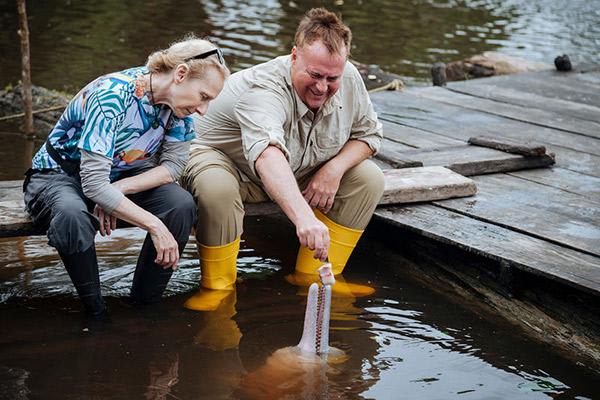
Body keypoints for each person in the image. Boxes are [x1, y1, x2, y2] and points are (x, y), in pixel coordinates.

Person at [181, 8, 384, 311]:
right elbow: (267, 153)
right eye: (314, 75)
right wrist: (304, 219)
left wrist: (334, 169)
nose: (322, 87)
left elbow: (369, 136)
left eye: (332, 78)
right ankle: (218, 289)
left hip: (294, 169)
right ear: (294, 56)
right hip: (230, 165)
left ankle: (313, 277)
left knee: (368, 178)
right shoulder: (263, 88)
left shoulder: (350, 78)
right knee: (217, 187)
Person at [23, 35, 230, 317]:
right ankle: (95, 312)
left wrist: (119, 189)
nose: (203, 109)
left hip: (119, 176)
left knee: (180, 205)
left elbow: (173, 167)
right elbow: (94, 184)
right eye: (203, 96)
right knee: (72, 216)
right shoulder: (113, 95)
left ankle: (145, 305)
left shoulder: (179, 110)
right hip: (59, 177)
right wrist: (154, 226)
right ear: (180, 74)